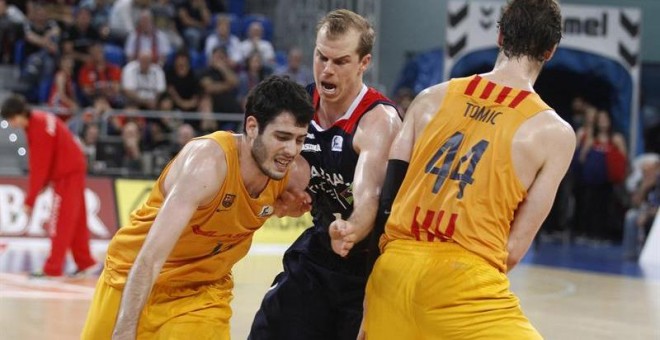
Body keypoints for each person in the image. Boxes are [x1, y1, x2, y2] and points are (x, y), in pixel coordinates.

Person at [331, 0, 576, 338]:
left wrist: (374, 302)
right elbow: (513, 250)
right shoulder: (555, 133)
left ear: (501, 35)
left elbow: (389, 198)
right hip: (464, 279)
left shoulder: (429, 98)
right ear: (550, 51)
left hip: (392, 273)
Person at [80, 76, 314, 339]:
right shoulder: (207, 165)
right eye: (282, 137)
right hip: (132, 279)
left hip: (203, 292)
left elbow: (279, 207)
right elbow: (150, 257)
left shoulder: (291, 175)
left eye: (299, 139)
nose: (291, 150)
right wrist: (123, 331)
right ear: (252, 126)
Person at [249, 9, 402, 340]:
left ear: (364, 63)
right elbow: (262, 167)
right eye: (321, 57)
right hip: (321, 246)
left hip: (372, 262)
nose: (327, 70)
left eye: (341, 61)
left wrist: (349, 229)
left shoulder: (379, 121)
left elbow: (369, 195)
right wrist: (277, 198)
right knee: (270, 325)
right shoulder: (299, 106)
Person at [1, 94, 96, 277]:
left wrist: (30, 201)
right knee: (76, 220)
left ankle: (52, 268)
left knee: (59, 221)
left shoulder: (38, 129)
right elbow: (48, 159)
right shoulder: (40, 119)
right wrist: (43, 184)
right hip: (73, 168)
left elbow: (39, 167)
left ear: (19, 114)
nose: (12, 125)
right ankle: (85, 262)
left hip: (66, 174)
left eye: (12, 119)